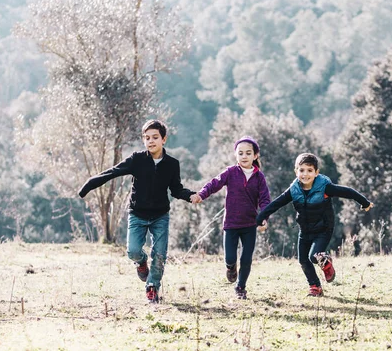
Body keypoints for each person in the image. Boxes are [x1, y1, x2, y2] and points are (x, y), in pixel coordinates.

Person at [78, 120, 195, 303]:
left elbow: (176, 190)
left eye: (155, 137)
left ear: (163, 139)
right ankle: (141, 262)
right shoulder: (137, 159)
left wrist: (191, 196)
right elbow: (113, 172)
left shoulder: (172, 164)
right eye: (147, 138)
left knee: (160, 254)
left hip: (160, 216)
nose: (150, 141)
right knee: (132, 251)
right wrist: (89, 185)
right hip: (137, 214)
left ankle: (152, 287)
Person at [256, 153, 373, 297]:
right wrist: (261, 217)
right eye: (302, 170)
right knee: (303, 260)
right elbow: (276, 204)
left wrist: (364, 203)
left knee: (313, 256)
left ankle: (326, 262)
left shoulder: (325, 188)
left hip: (324, 228)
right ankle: (315, 286)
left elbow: (347, 192)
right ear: (296, 171)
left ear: (316, 172)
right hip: (305, 230)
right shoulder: (294, 190)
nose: (305, 174)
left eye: (310, 170)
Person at [191, 136, 271, 299]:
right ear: (236, 155)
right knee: (230, 258)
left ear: (255, 156)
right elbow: (214, 184)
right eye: (240, 153)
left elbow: (265, 199)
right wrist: (201, 194)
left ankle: (240, 288)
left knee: (247, 259)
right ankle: (231, 267)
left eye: (248, 153)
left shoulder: (259, 177)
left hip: (250, 225)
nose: (244, 156)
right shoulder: (230, 172)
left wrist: (264, 217)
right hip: (231, 224)